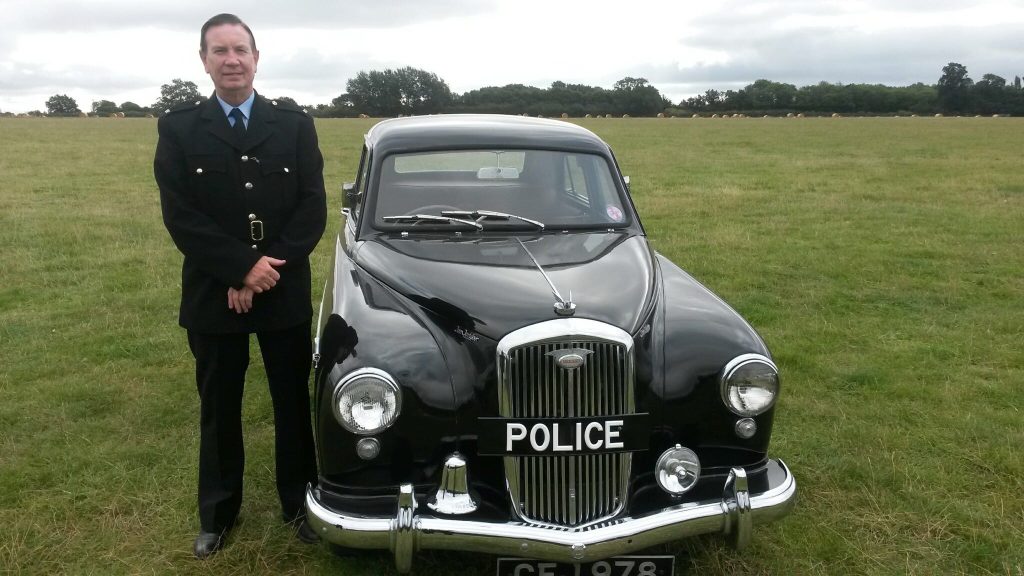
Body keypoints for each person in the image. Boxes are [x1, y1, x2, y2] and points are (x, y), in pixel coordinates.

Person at [153, 13, 327, 558]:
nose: (231, 60)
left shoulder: (294, 124)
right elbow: (181, 215)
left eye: (241, 50)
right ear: (203, 60)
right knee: (219, 404)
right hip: (213, 289)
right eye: (219, 51)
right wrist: (237, 270)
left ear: (256, 57)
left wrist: (262, 270)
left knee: (292, 402)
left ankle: (299, 503)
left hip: (282, 286)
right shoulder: (179, 127)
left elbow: (311, 207)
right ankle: (218, 513)